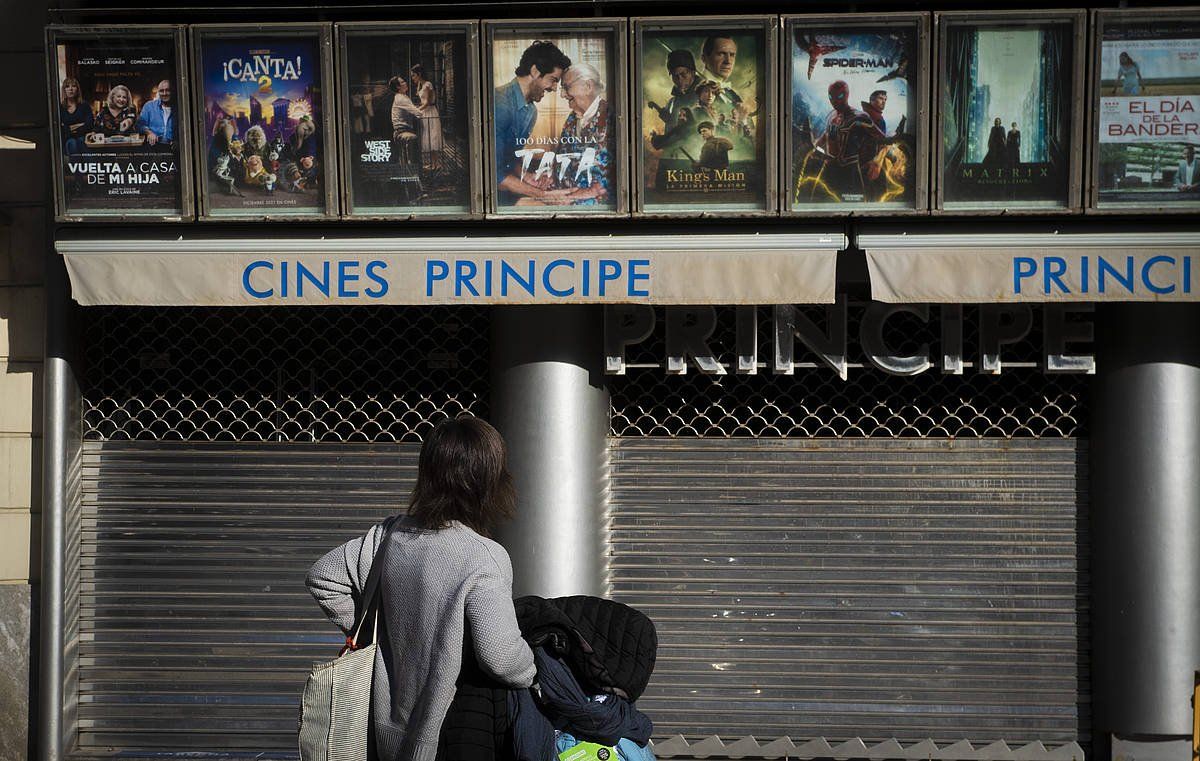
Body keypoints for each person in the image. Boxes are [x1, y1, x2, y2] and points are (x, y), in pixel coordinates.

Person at [306, 418, 536, 761]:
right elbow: (501, 658)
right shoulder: (483, 556)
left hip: (383, 732)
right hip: (450, 735)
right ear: (488, 481)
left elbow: (323, 577)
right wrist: (535, 671)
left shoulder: (389, 535)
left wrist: (374, 635)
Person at [493, 40, 572, 205]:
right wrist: (543, 195)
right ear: (535, 71)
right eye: (553, 80)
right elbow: (494, 174)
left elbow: (507, 159)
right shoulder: (499, 104)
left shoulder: (530, 111)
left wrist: (528, 176)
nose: (554, 88)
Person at [557, 62, 610, 205]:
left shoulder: (612, 117)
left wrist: (594, 190)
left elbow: (624, 170)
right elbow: (561, 159)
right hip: (568, 195)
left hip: (597, 203)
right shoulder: (572, 119)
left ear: (588, 86)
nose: (562, 94)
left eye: (566, 87)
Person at [411, 64, 444, 172]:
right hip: (425, 112)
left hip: (430, 111)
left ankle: (437, 164)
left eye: (414, 75)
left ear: (419, 74)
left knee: (432, 136)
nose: (413, 78)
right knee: (428, 137)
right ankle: (433, 163)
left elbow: (428, 102)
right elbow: (421, 100)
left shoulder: (428, 85)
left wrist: (417, 110)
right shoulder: (420, 85)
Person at [699, 36, 742, 107]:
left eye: (732, 55)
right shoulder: (694, 89)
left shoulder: (732, 94)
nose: (728, 61)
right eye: (721, 54)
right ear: (704, 58)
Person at [135, 79, 175, 147]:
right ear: (158, 92)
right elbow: (139, 125)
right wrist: (149, 132)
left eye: (167, 90)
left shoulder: (179, 107)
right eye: (161, 91)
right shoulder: (149, 106)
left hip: (174, 147)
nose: (164, 93)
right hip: (153, 146)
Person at [58, 76, 92, 155]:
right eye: (67, 86)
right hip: (68, 140)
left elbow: (89, 125)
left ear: (77, 89)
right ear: (64, 90)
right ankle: (75, 167)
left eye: (73, 86)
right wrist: (80, 124)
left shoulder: (84, 105)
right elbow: (61, 129)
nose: (70, 89)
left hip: (84, 138)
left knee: (81, 141)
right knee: (72, 143)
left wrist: (70, 128)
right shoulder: (60, 108)